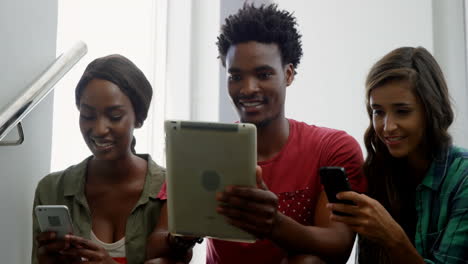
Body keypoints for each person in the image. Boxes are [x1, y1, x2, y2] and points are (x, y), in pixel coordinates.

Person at [206, 3, 367, 263]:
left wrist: (275, 224)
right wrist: (179, 239)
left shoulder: (332, 148)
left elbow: (340, 244)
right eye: (236, 77)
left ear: (288, 74)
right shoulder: (205, 148)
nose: (248, 89)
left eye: (263, 74)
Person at [327, 47, 468, 263]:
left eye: (402, 111)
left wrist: (393, 238)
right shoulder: (377, 172)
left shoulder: (462, 178)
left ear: (430, 111)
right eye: (378, 112)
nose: (387, 127)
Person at [32, 54, 170, 264]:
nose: (98, 129)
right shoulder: (52, 189)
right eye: (87, 115)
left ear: (139, 118)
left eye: (114, 116)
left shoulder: (168, 190)